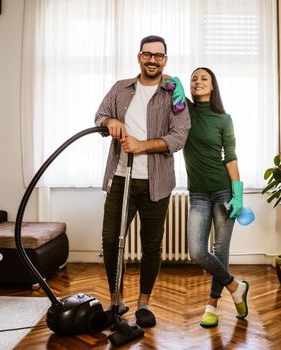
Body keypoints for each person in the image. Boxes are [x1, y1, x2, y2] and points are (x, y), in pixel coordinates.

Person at [94, 35, 190, 328]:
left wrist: (141, 145)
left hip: (156, 183)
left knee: (152, 245)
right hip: (121, 179)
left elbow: (179, 136)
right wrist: (109, 122)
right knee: (111, 241)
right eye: (147, 55)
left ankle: (144, 303)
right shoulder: (120, 89)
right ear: (139, 57)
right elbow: (99, 115)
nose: (152, 60)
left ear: (165, 60)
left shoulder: (174, 95)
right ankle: (116, 299)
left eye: (158, 56)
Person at [182, 67, 249, 328]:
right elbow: (166, 81)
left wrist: (238, 193)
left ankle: (212, 305)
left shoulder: (224, 119)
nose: (197, 81)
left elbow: (230, 157)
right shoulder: (184, 111)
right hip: (197, 193)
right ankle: (236, 287)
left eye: (204, 78)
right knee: (197, 252)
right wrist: (174, 79)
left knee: (221, 250)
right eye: (193, 78)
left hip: (223, 190)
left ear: (213, 86)